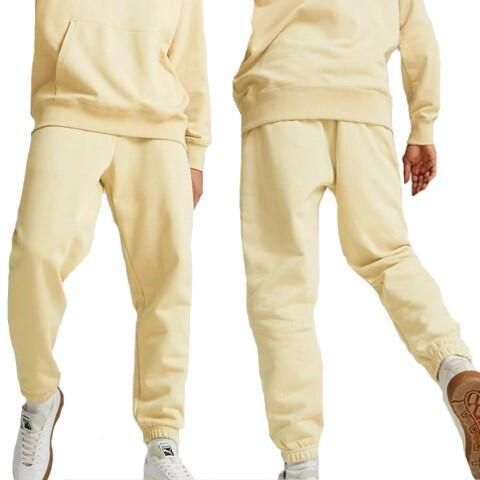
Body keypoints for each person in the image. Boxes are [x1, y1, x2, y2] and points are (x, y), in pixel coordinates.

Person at [233, 0, 480, 478]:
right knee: (389, 255)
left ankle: (301, 462)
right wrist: (422, 126)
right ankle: (453, 365)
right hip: (363, 108)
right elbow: (418, 37)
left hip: (281, 101)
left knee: (281, 286)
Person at [9, 1, 210, 479]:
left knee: (169, 282)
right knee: (33, 255)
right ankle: (40, 397)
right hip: (69, 105)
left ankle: (163, 438)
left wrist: (196, 148)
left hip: (158, 122)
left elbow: (191, 49)